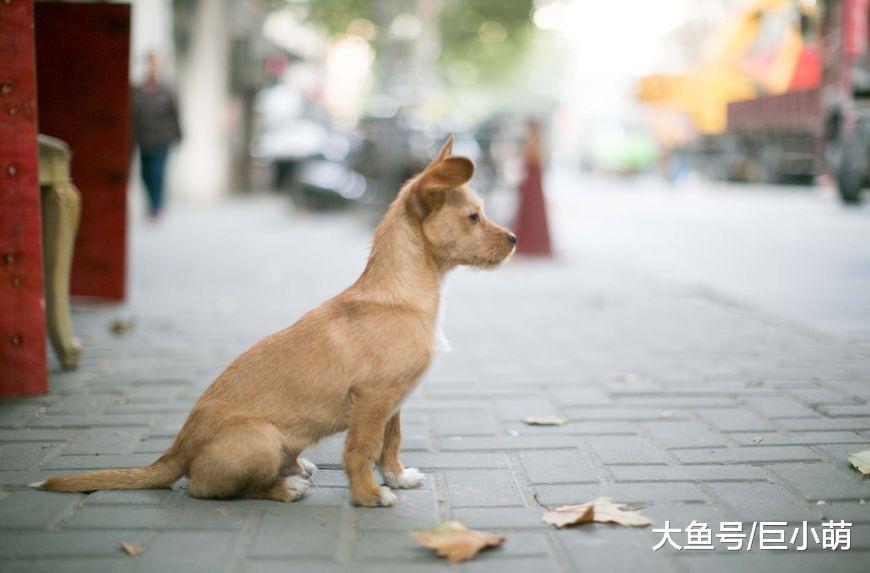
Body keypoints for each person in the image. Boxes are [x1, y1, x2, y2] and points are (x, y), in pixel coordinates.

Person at [132, 53, 181, 219]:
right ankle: (152, 204)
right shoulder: (138, 91)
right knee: (145, 174)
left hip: (162, 138)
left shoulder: (165, 91)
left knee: (158, 173)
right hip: (144, 139)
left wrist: (178, 135)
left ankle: (156, 206)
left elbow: (175, 114)